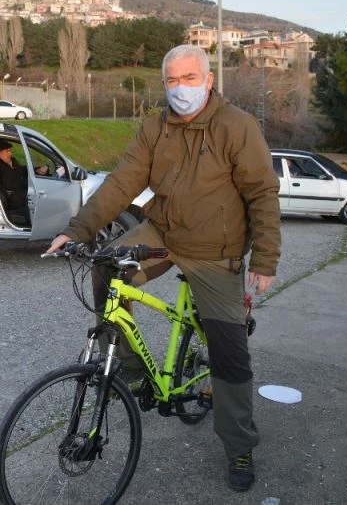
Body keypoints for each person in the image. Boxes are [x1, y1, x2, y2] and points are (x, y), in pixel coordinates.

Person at [46, 44, 281, 493]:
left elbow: (262, 194)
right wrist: (79, 230)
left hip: (216, 250)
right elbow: (122, 183)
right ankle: (131, 373)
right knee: (106, 268)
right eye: (171, 80)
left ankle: (239, 446)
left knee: (229, 355)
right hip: (164, 234)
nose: (180, 89)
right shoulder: (155, 128)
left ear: (209, 80)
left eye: (189, 79)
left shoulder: (237, 127)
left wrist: (265, 258)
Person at [0, 138, 50, 212]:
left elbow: (22, 170)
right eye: (7, 151)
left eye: (10, 150)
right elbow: (13, 183)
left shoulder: (11, 160)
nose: (10, 153)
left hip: (23, 194)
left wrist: (37, 170)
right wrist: (31, 183)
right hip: (14, 200)